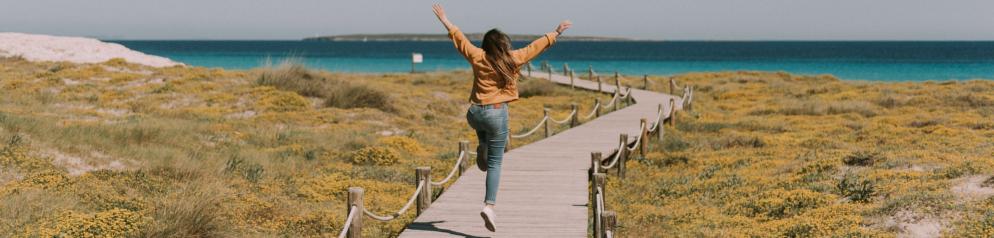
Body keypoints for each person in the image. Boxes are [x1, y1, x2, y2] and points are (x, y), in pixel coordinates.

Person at [431, 3, 571, 232]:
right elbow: (536, 47)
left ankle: (482, 146)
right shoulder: (513, 59)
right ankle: (489, 206)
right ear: (504, 44)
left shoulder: (477, 56)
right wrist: (556, 32)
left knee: (486, 143)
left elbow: (460, 40)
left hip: (474, 113)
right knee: (495, 163)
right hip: (496, 113)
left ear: (486, 45)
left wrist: (445, 20)